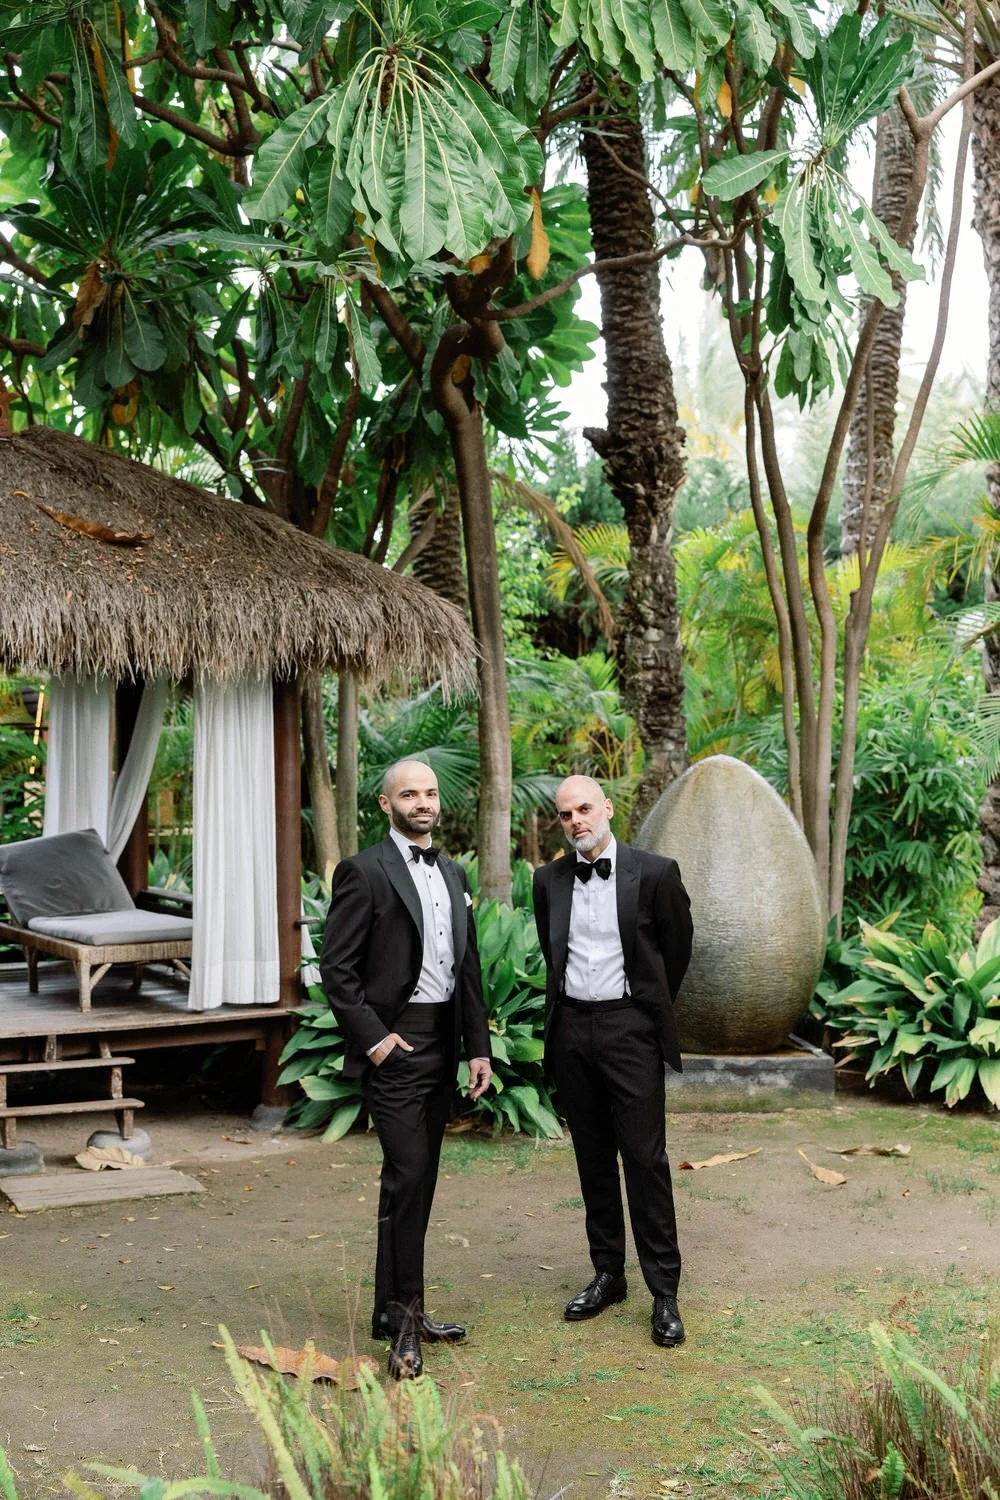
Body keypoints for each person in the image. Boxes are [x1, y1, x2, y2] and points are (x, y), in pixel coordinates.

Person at [319, 758, 492, 1379]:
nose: (423, 802)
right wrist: (376, 1041)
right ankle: (405, 1326)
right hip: (397, 1046)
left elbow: (466, 966)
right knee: (408, 1176)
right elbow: (336, 969)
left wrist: (478, 1048)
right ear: (386, 804)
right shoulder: (364, 871)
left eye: (430, 793)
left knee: (417, 1184)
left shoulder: (453, 871)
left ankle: (393, 1312)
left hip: (444, 1043)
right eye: (410, 794)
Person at [532, 775, 693, 1348]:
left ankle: (664, 1292)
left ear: (606, 808)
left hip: (630, 1029)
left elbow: (676, 951)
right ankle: (608, 1275)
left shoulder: (655, 873)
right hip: (572, 1029)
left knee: (645, 1160)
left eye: (584, 808)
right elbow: (553, 951)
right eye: (565, 813)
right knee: (593, 1158)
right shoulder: (548, 880)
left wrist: (644, 1014)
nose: (575, 820)